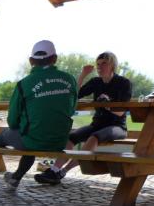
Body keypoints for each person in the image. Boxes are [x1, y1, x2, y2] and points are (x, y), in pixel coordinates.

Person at [0, 40, 78, 190]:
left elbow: (12, 121)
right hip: (60, 141)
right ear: (55, 59)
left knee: (7, 135)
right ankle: (15, 178)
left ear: (31, 61)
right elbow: (71, 109)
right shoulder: (70, 80)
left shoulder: (24, 84)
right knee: (32, 135)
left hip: (33, 140)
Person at [34, 51, 132, 185]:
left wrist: (107, 104)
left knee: (94, 137)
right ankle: (54, 170)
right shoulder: (96, 82)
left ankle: (62, 172)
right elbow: (75, 94)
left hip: (117, 126)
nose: (100, 67)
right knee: (71, 137)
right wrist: (83, 74)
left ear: (112, 65)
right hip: (97, 124)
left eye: (104, 63)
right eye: (98, 64)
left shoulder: (124, 83)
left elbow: (121, 112)